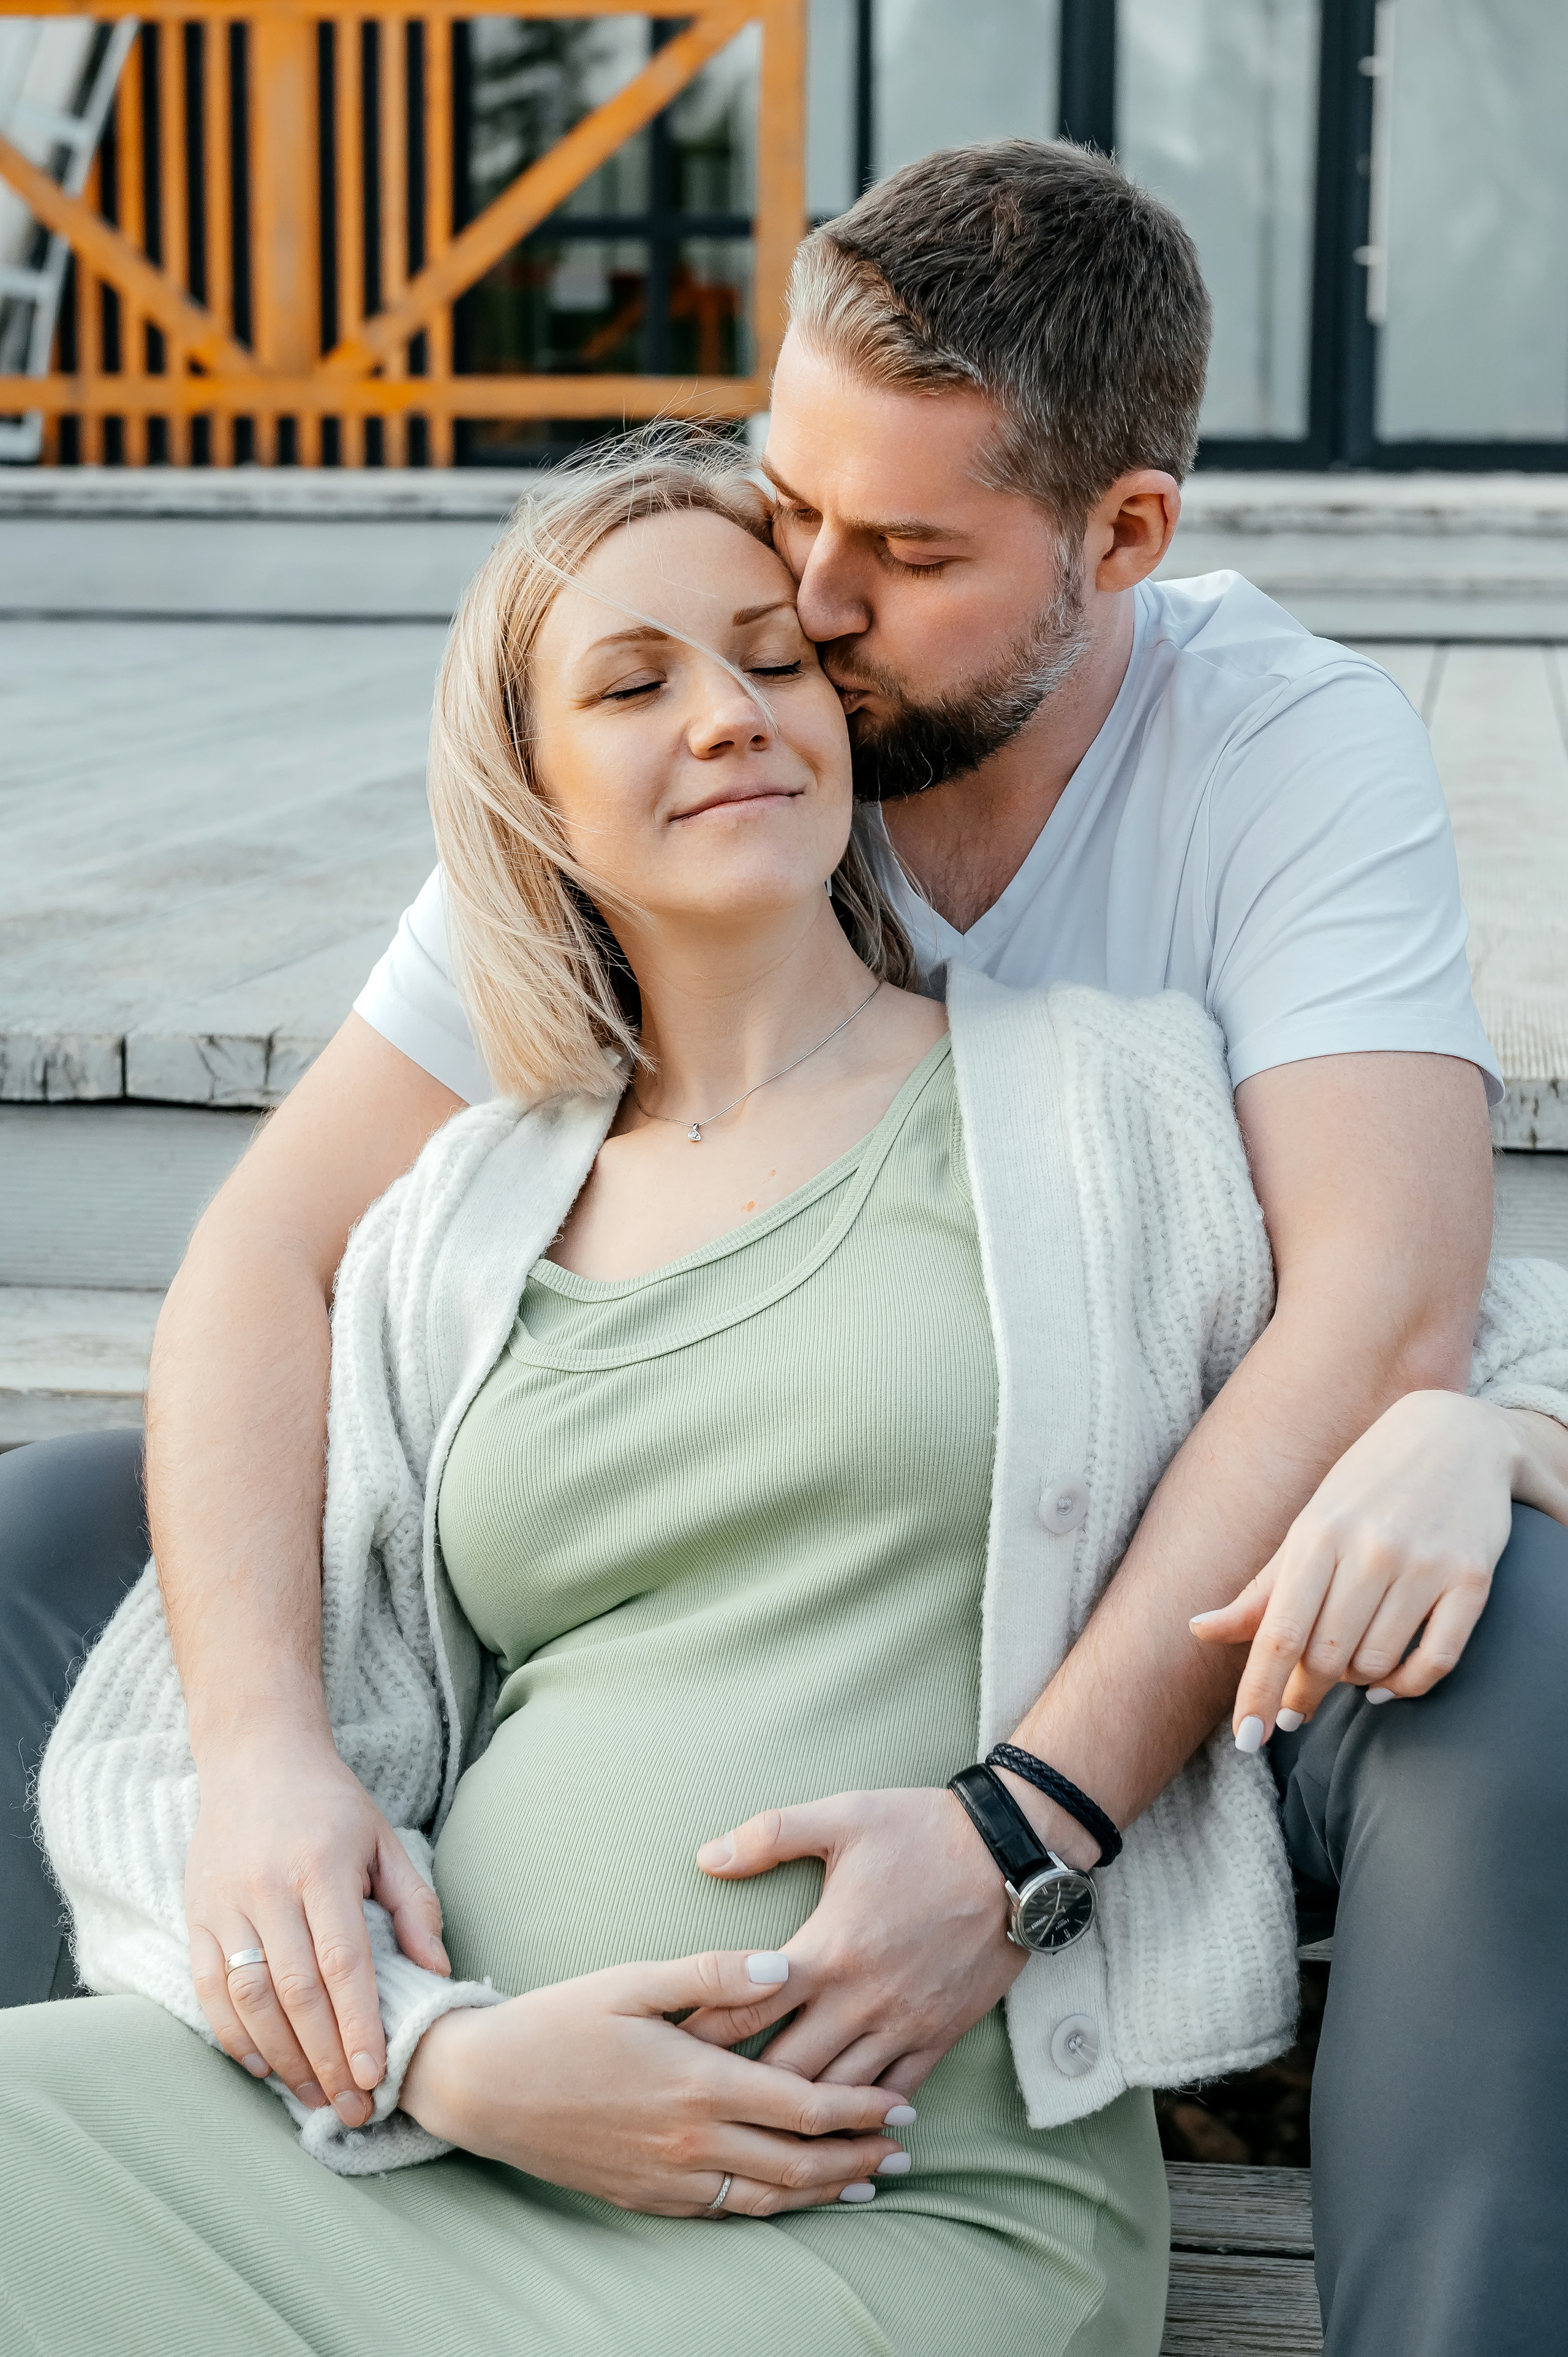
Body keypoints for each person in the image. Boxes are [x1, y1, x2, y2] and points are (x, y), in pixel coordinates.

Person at [2, 140, 1567, 2351]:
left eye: (894, 559)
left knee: (1505, 1642)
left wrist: (1030, 1821)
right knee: (66, 1533)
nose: (802, 615)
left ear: (1120, 538)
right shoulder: (641, 832)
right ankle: (264, 2036)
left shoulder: (1234, 834)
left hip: (1123, 1723)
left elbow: (1397, 1293)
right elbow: (271, 1253)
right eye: (783, 503)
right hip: (473, 2103)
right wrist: (279, 1789)